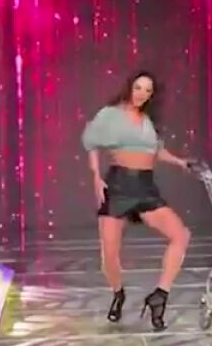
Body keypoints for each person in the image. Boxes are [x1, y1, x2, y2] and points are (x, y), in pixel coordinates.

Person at [81, 70, 192, 331]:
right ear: (130, 87)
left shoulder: (148, 121)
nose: (142, 93)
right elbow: (91, 142)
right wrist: (96, 177)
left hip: (145, 187)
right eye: (139, 87)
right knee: (109, 255)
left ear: (152, 95)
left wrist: (180, 162)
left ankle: (159, 296)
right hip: (119, 185)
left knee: (181, 235)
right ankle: (118, 293)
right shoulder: (111, 114)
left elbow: (157, 151)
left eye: (148, 90)